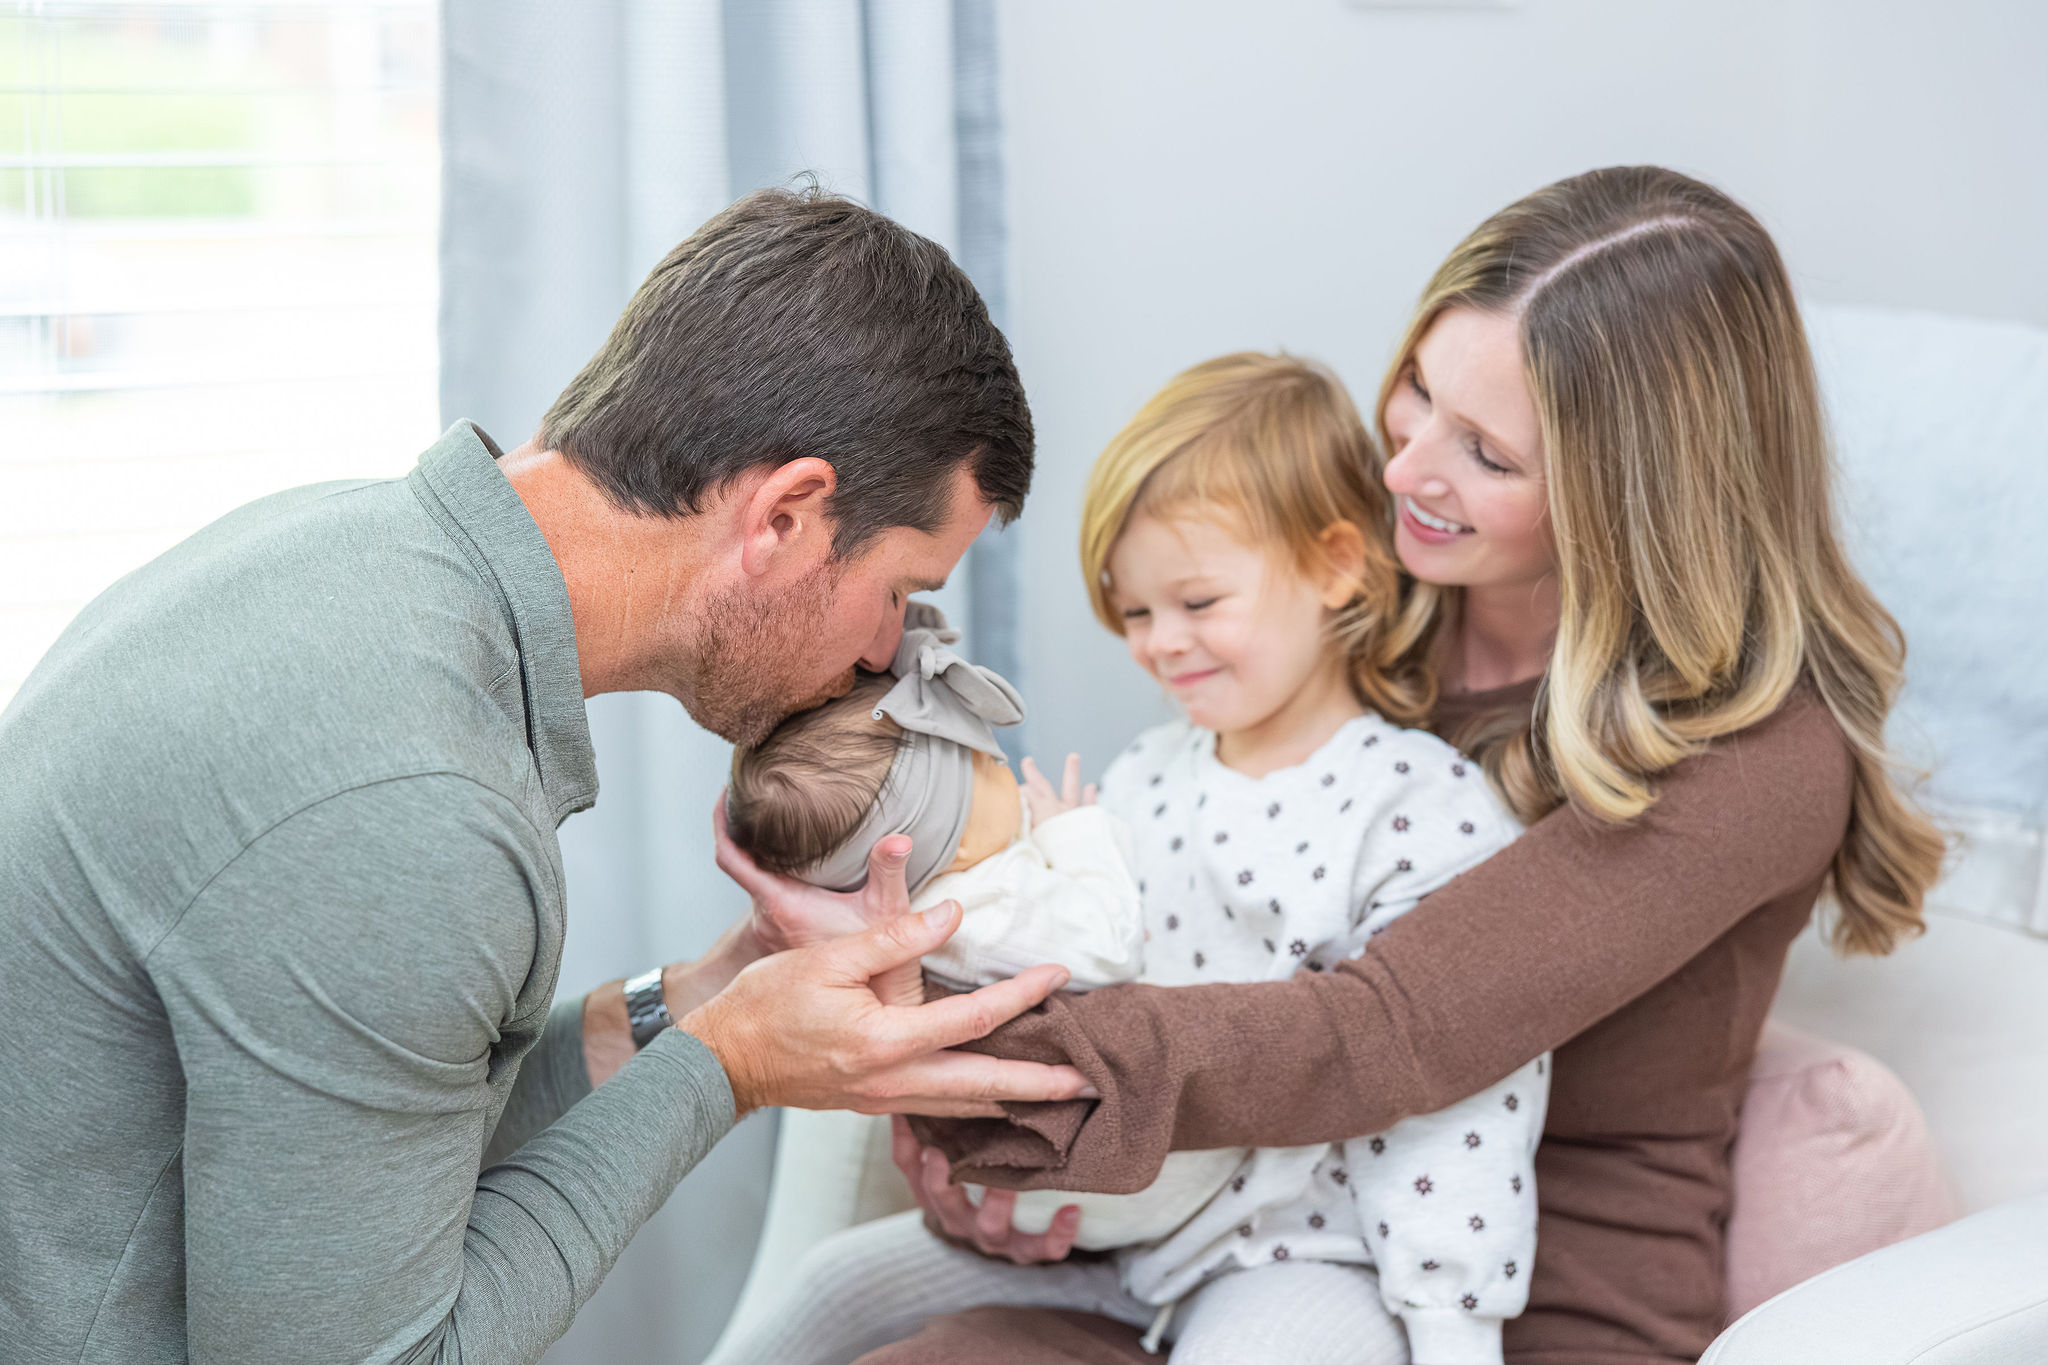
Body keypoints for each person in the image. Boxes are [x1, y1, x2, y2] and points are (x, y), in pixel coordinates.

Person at [722, 167, 1948, 1365]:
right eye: (1416, 388)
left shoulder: (1749, 757)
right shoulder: (1367, 612)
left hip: (1506, 1310)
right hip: (1185, 1242)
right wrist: (965, 1131)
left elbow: (1384, 1028)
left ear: (1630, 498)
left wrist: (983, 1068)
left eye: (1487, 454)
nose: (1405, 468)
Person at [0, 187, 1099, 1364]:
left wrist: (707, 996)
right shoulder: (411, 800)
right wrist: (728, 1066)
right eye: (896, 592)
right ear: (786, 515)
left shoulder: (337, 555)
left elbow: (370, 1161)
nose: (887, 651)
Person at [711, 354, 1550, 1365]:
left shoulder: (1416, 808)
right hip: (1121, 1222)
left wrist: (1453, 1327)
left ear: (1334, 566)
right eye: (1136, 612)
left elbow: (1460, 1093)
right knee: (833, 1284)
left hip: (1307, 1253)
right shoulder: (1150, 772)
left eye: (1196, 604)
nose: (1161, 645)